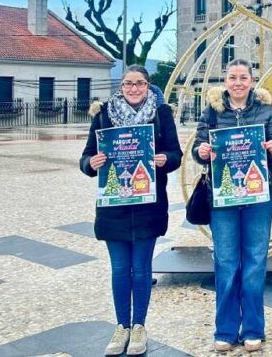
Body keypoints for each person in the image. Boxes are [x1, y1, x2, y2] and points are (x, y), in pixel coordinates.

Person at [79, 65, 182, 356]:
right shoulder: (103, 114)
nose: (134, 88)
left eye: (139, 83)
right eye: (128, 83)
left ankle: (139, 326)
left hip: (149, 204)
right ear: (121, 86)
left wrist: (165, 159)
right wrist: (92, 164)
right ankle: (121, 325)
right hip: (115, 206)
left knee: (142, 269)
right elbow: (86, 156)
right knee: (121, 269)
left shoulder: (161, 115)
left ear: (149, 86)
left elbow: (176, 154)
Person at [191, 58, 272, 353]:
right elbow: (197, 149)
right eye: (232, 77)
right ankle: (226, 329)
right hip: (223, 197)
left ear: (251, 81)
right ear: (225, 80)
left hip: (259, 196)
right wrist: (202, 150)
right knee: (226, 262)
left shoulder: (266, 110)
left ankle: (254, 329)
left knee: (255, 261)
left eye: (243, 77)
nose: (237, 83)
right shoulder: (212, 112)